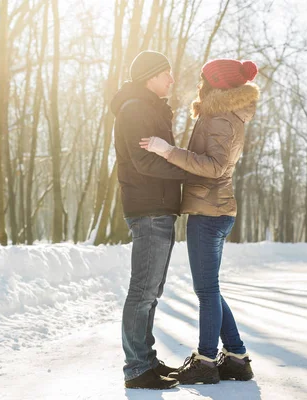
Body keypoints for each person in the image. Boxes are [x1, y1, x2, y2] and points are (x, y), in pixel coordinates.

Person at [140, 58, 260, 384]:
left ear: (215, 83)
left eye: (202, 79)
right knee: (211, 289)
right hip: (214, 210)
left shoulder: (220, 116)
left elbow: (215, 166)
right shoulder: (220, 112)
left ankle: (206, 361)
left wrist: (168, 152)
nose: (197, 84)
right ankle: (236, 357)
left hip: (210, 213)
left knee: (206, 291)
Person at [110, 50, 194, 390]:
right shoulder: (135, 109)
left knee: (152, 292)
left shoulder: (149, 108)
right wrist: (188, 169)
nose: (172, 80)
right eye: (166, 74)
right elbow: (144, 161)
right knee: (142, 290)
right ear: (150, 76)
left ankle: (146, 360)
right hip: (147, 209)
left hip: (159, 208)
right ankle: (136, 368)